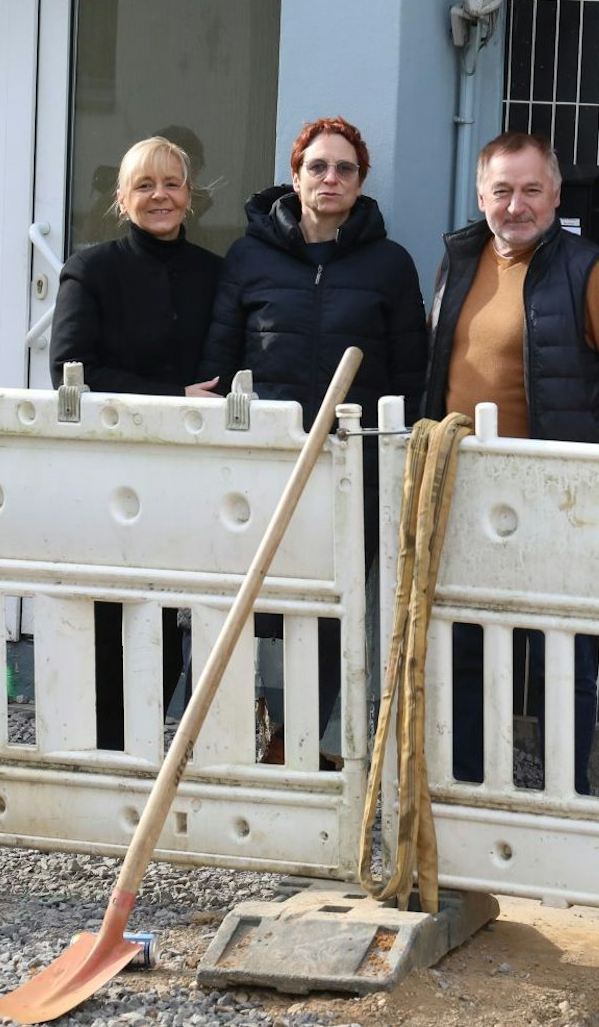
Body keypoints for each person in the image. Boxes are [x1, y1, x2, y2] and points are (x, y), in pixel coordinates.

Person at [424, 131, 599, 795]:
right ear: (481, 196)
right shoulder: (459, 262)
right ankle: (470, 786)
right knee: (467, 643)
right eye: (502, 190)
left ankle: (566, 794)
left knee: (562, 652)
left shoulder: (593, 273)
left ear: (556, 195)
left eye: (532, 189)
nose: (516, 205)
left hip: (560, 498)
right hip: (468, 491)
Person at [199, 116, 428, 752]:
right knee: (244, 596)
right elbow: (218, 365)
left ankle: (296, 743)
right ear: (295, 177)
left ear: (361, 181)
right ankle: (234, 733)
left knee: (332, 603)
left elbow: (411, 375)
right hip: (263, 463)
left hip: (354, 466)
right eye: (317, 167)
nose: (331, 178)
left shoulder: (389, 265)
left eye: (344, 168)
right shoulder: (249, 257)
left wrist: (395, 459)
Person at [50, 134, 223, 750]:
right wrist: (174, 396)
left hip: (187, 466)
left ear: (190, 196)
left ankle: (148, 735)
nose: (160, 196)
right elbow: (71, 370)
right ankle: (107, 742)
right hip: (112, 464)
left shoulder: (213, 273)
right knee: (111, 606)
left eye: (171, 183)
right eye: (144, 185)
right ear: (122, 199)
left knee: (172, 605)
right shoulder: (92, 269)